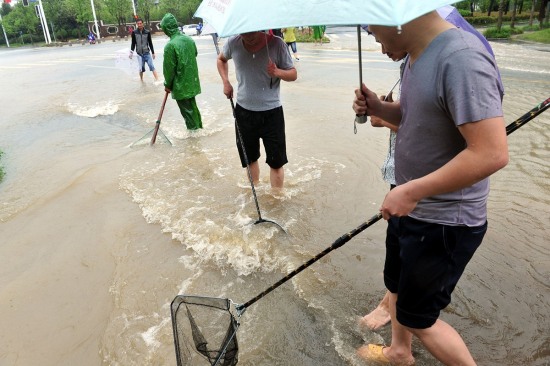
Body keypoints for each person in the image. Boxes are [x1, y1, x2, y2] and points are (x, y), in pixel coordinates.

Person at [352, 10, 508, 365]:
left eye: (374, 32)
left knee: (419, 319)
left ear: (395, 13)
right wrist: (381, 108)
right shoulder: (417, 55)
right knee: (397, 288)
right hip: (414, 209)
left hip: (443, 221)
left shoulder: (461, 58)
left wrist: (412, 191)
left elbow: (491, 152)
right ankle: (398, 352)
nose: (376, 44)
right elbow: (418, 119)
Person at [217, 31, 297, 189]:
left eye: (251, 33)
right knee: (250, 158)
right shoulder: (233, 43)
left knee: (276, 161)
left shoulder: (277, 44)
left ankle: (276, 200)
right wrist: (226, 82)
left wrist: (277, 72)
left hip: (272, 112)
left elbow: (293, 74)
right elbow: (221, 60)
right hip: (244, 112)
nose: (248, 37)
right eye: (244, 34)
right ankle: (255, 192)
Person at [159, 13, 203, 130]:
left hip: (181, 85)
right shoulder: (189, 40)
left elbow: (169, 70)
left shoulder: (170, 46)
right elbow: (194, 54)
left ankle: (194, 137)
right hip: (192, 80)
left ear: (167, 28)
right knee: (193, 107)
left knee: (187, 112)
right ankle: (200, 129)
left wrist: (167, 84)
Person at [130, 18, 159, 82]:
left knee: (151, 66)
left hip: (147, 53)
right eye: (138, 24)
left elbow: (150, 43)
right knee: (141, 69)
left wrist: (153, 53)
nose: (139, 25)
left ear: (143, 24)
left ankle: (157, 80)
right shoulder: (134, 32)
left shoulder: (147, 32)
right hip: (139, 54)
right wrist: (131, 52)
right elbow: (133, 43)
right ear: (137, 24)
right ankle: (141, 80)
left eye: (140, 23)